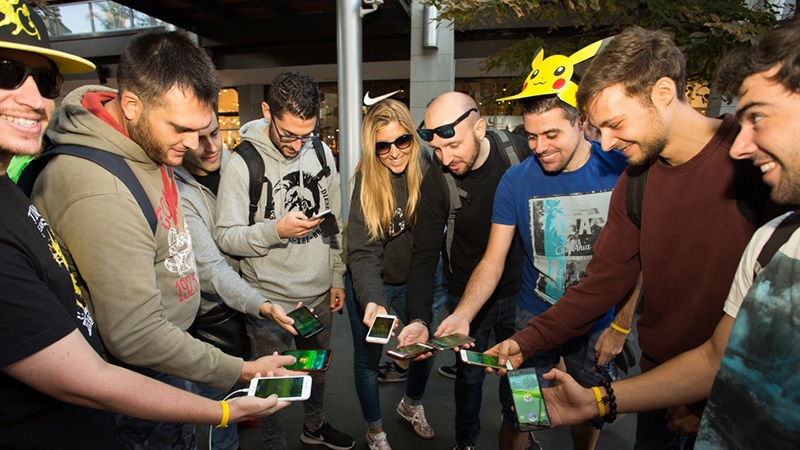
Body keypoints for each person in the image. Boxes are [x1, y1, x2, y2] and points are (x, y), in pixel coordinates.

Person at [0, 2, 291, 448]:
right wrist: (236, 373)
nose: (196, 146)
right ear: (132, 106)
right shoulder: (100, 188)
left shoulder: (149, 144)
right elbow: (134, 335)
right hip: (137, 370)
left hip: (174, 353)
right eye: (181, 129)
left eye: (45, 81)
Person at [487, 26, 779, 449]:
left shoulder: (757, 164)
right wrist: (525, 340)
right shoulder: (636, 180)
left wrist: (713, 394)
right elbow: (600, 285)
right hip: (659, 388)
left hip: (739, 398)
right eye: (598, 128)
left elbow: (776, 318)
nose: (605, 141)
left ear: (663, 92)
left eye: (615, 123)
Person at [434, 90, 637, 450]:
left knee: (588, 410)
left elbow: (638, 259)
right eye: (531, 135)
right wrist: (464, 314)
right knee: (523, 413)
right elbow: (493, 260)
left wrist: (620, 326)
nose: (539, 146)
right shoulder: (515, 180)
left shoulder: (620, 168)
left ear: (581, 122)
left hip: (600, 324)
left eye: (551, 135)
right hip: (533, 318)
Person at [214, 70, 354, 450]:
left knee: (317, 374)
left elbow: (333, 222)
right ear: (266, 112)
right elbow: (224, 237)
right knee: (271, 387)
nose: (296, 145)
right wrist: (273, 231)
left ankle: (315, 426)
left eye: (305, 134)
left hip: (320, 294)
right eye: (288, 134)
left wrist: (337, 276)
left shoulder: (322, 152)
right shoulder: (243, 163)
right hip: (269, 304)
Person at [399, 91, 527, 450]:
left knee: (518, 372)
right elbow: (423, 255)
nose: (445, 158)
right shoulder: (438, 178)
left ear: (481, 128)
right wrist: (420, 318)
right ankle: (465, 442)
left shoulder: (517, 154)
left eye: (453, 145)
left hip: (521, 289)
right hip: (465, 292)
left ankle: (520, 431)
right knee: (469, 376)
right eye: (437, 150)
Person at [175, 112, 300, 450]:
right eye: (199, 139)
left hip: (250, 303)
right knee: (220, 415)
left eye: (215, 133)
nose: (210, 147)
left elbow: (264, 130)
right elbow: (212, 270)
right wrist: (262, 303)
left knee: (255, 391)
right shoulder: (180, 193)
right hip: (212, 316)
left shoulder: (235, 161)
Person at [345, 99, 449, 449]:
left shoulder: (429, 167)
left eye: (402, 141)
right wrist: (372, 299)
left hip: (416, 279)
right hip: (373, 281)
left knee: (421, 348)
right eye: (383, 146)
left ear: (413, 137)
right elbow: (362, 250)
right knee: (367, 359)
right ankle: (375, 431)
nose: (393, 153)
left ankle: (411, 405)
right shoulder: (366, 179)